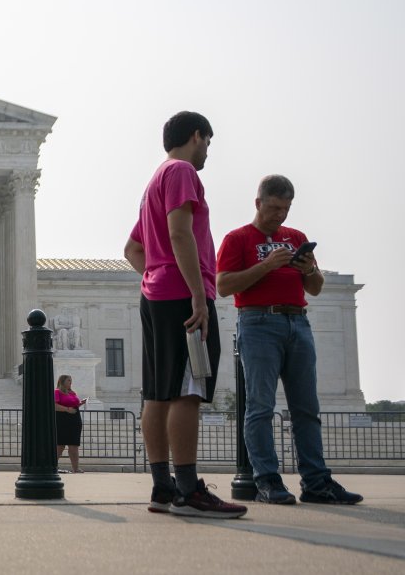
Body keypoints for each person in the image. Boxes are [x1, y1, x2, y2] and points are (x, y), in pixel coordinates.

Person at [123, 111, 246, 519]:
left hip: (156, 294)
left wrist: (157, 276)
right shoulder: (181, 173)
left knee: (157, 392)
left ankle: (162, 488)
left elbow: (133, 250)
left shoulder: (153, 182)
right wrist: (196, 293)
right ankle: (190, 490)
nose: (208, 150)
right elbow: (179, 232)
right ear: (197, 136)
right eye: (208, 142)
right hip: (182, 295)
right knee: (187, 389)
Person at [217, 175, 363, 505]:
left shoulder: (295, 237)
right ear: (258, 203)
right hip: (258, 321)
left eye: (286, 209)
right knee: (261, 406)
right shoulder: (237, 239)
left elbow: (315, 287)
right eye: (274, 208)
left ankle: (316, 482)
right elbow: (224, 285)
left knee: (306, 408)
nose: (280, 216)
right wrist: (267, 266)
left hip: (298, 321)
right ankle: (267, 480)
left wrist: (309, 269)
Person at [54, 375, 87, 473]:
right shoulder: (57, 392)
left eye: (71, 380)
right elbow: (54, 405)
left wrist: (81, 403)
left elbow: (74, 404)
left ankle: (75, 468)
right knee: (60, 445)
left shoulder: (72, 392)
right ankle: (52, 466)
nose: (70, 382)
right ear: (62, 381)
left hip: (74, 420)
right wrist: (67, 410)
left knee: (74, 445)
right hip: (62, 420)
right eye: (69, 380)